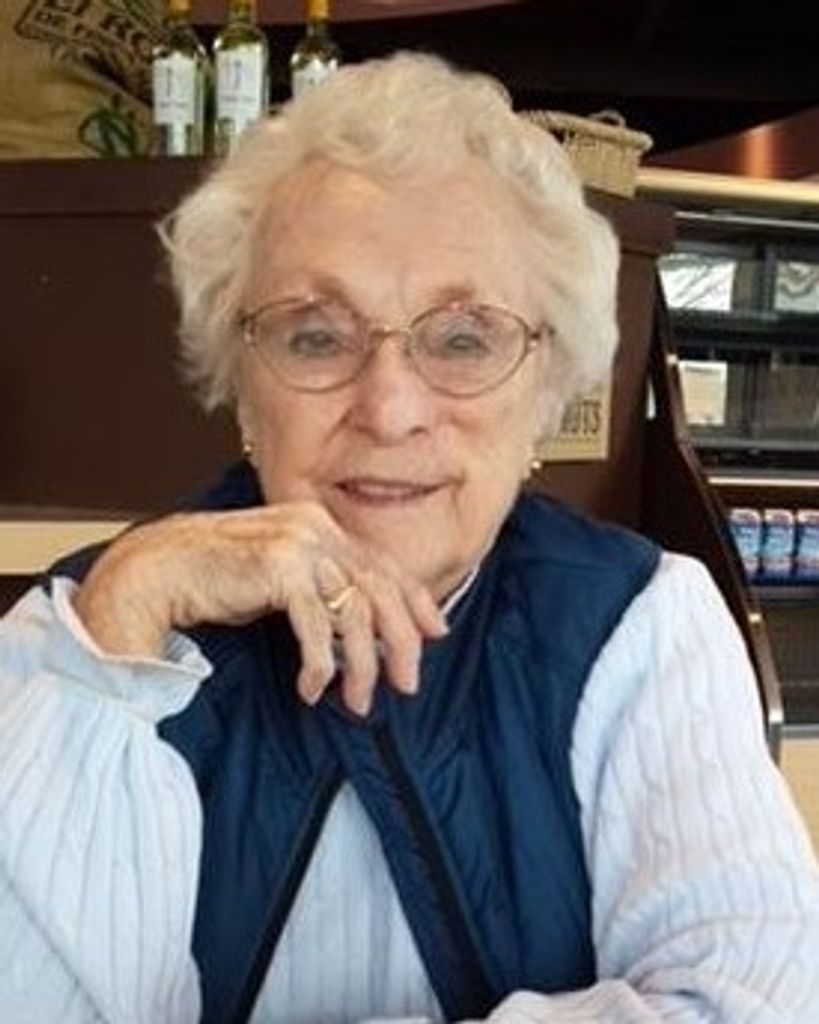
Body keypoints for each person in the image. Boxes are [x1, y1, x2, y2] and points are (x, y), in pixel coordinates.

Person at [1, 51, 818, 1024]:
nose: (389, 409)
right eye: (316, 335)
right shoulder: (77, 629)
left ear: (545, 388)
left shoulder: (645, 624)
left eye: (463, 338)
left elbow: (748, 1007)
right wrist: (116, 633)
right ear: (242, 386)